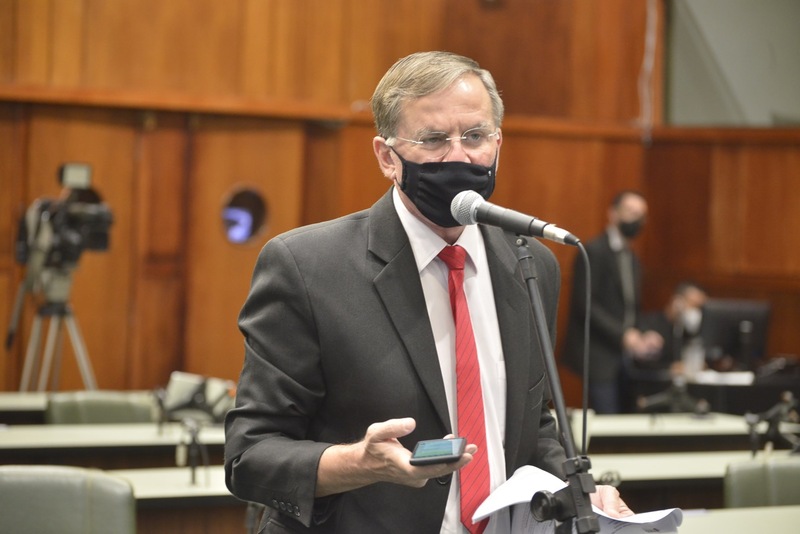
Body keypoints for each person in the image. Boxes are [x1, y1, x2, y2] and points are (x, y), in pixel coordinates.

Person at [225, 51, 630, 533]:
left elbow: (530, 424)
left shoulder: (530, 263)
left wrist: (578, 488)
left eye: (475, 136)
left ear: (498, 143)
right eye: (434, 140)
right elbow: (250, 455)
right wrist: (358, 463)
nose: (459, 156)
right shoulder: (307, 267)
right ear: (386, 157)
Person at [562, 190, 663, 414]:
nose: (636, 219)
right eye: (631, 212)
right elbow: (585, 304)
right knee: (607, 419)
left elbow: (631, 307)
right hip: (598, 354)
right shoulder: (593, 251)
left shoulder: (632, 258)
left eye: (641, 215)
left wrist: (644, 333)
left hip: (626, 358)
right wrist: (623, 335)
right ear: (613, 214)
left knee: (629, 418)